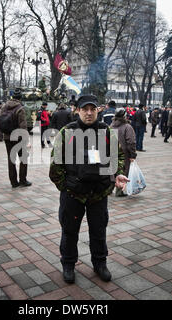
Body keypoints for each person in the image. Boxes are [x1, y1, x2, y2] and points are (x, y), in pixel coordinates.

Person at [49, 95, 129, 284]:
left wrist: (117, 174)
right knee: (69, 231)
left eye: (93, 109)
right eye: (85, 109)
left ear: (98, 110)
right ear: (77, 110)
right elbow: (55, 165)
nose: (89, 113)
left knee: (99, 230)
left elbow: (117, 156)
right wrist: (66, 187)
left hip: (98, 194)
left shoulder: (106, 132)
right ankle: (68, 264)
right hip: (73, 194)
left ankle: (100, 263)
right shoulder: (67, 132)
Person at [1, 89, 32, 188]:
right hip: (18, 137)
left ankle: (13, 182)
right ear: (20, 98)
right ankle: (23, 180)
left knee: (11, 159)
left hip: (7, 137)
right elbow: (23, 126)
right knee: (23, 158)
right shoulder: (20, 108)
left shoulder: (4, 107)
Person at [111, 108, 137, 197]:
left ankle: (109, 189)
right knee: (123, 170)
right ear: (124, 116)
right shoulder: (127, 127)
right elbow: (131, 142)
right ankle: (119, 191)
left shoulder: (111, 125)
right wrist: (133, 154)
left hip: (112, 151)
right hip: (124, 153)